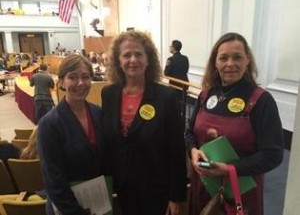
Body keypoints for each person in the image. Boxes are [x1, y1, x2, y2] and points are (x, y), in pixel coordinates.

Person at [185, 32, 284, 215]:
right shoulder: (205, 95)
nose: (230, 64)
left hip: (240, 194)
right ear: (215, 63)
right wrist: (193, 151)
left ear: (247, 61)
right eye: (223, 58)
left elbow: (274, 154)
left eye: (237, 57)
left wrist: (231, 169)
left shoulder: (261, 100)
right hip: (203, 187)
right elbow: (190, 132)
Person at [101, 30, 187, 215]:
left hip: (157, 190)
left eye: (139, 54)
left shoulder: (167, 97)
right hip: (122, 188)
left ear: (148, 59)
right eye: (127, 55)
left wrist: (176, 196)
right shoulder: (108, 94)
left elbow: (177, 150)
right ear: (118, 60)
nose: (133, 60)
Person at [37, 54, 108, 215]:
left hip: (97, 202)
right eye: (73, 77)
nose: (81, 83)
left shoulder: (98, 113)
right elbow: (53, 180)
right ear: (61, 81)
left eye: (85, 77)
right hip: (66, 207)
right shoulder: (49, 124)